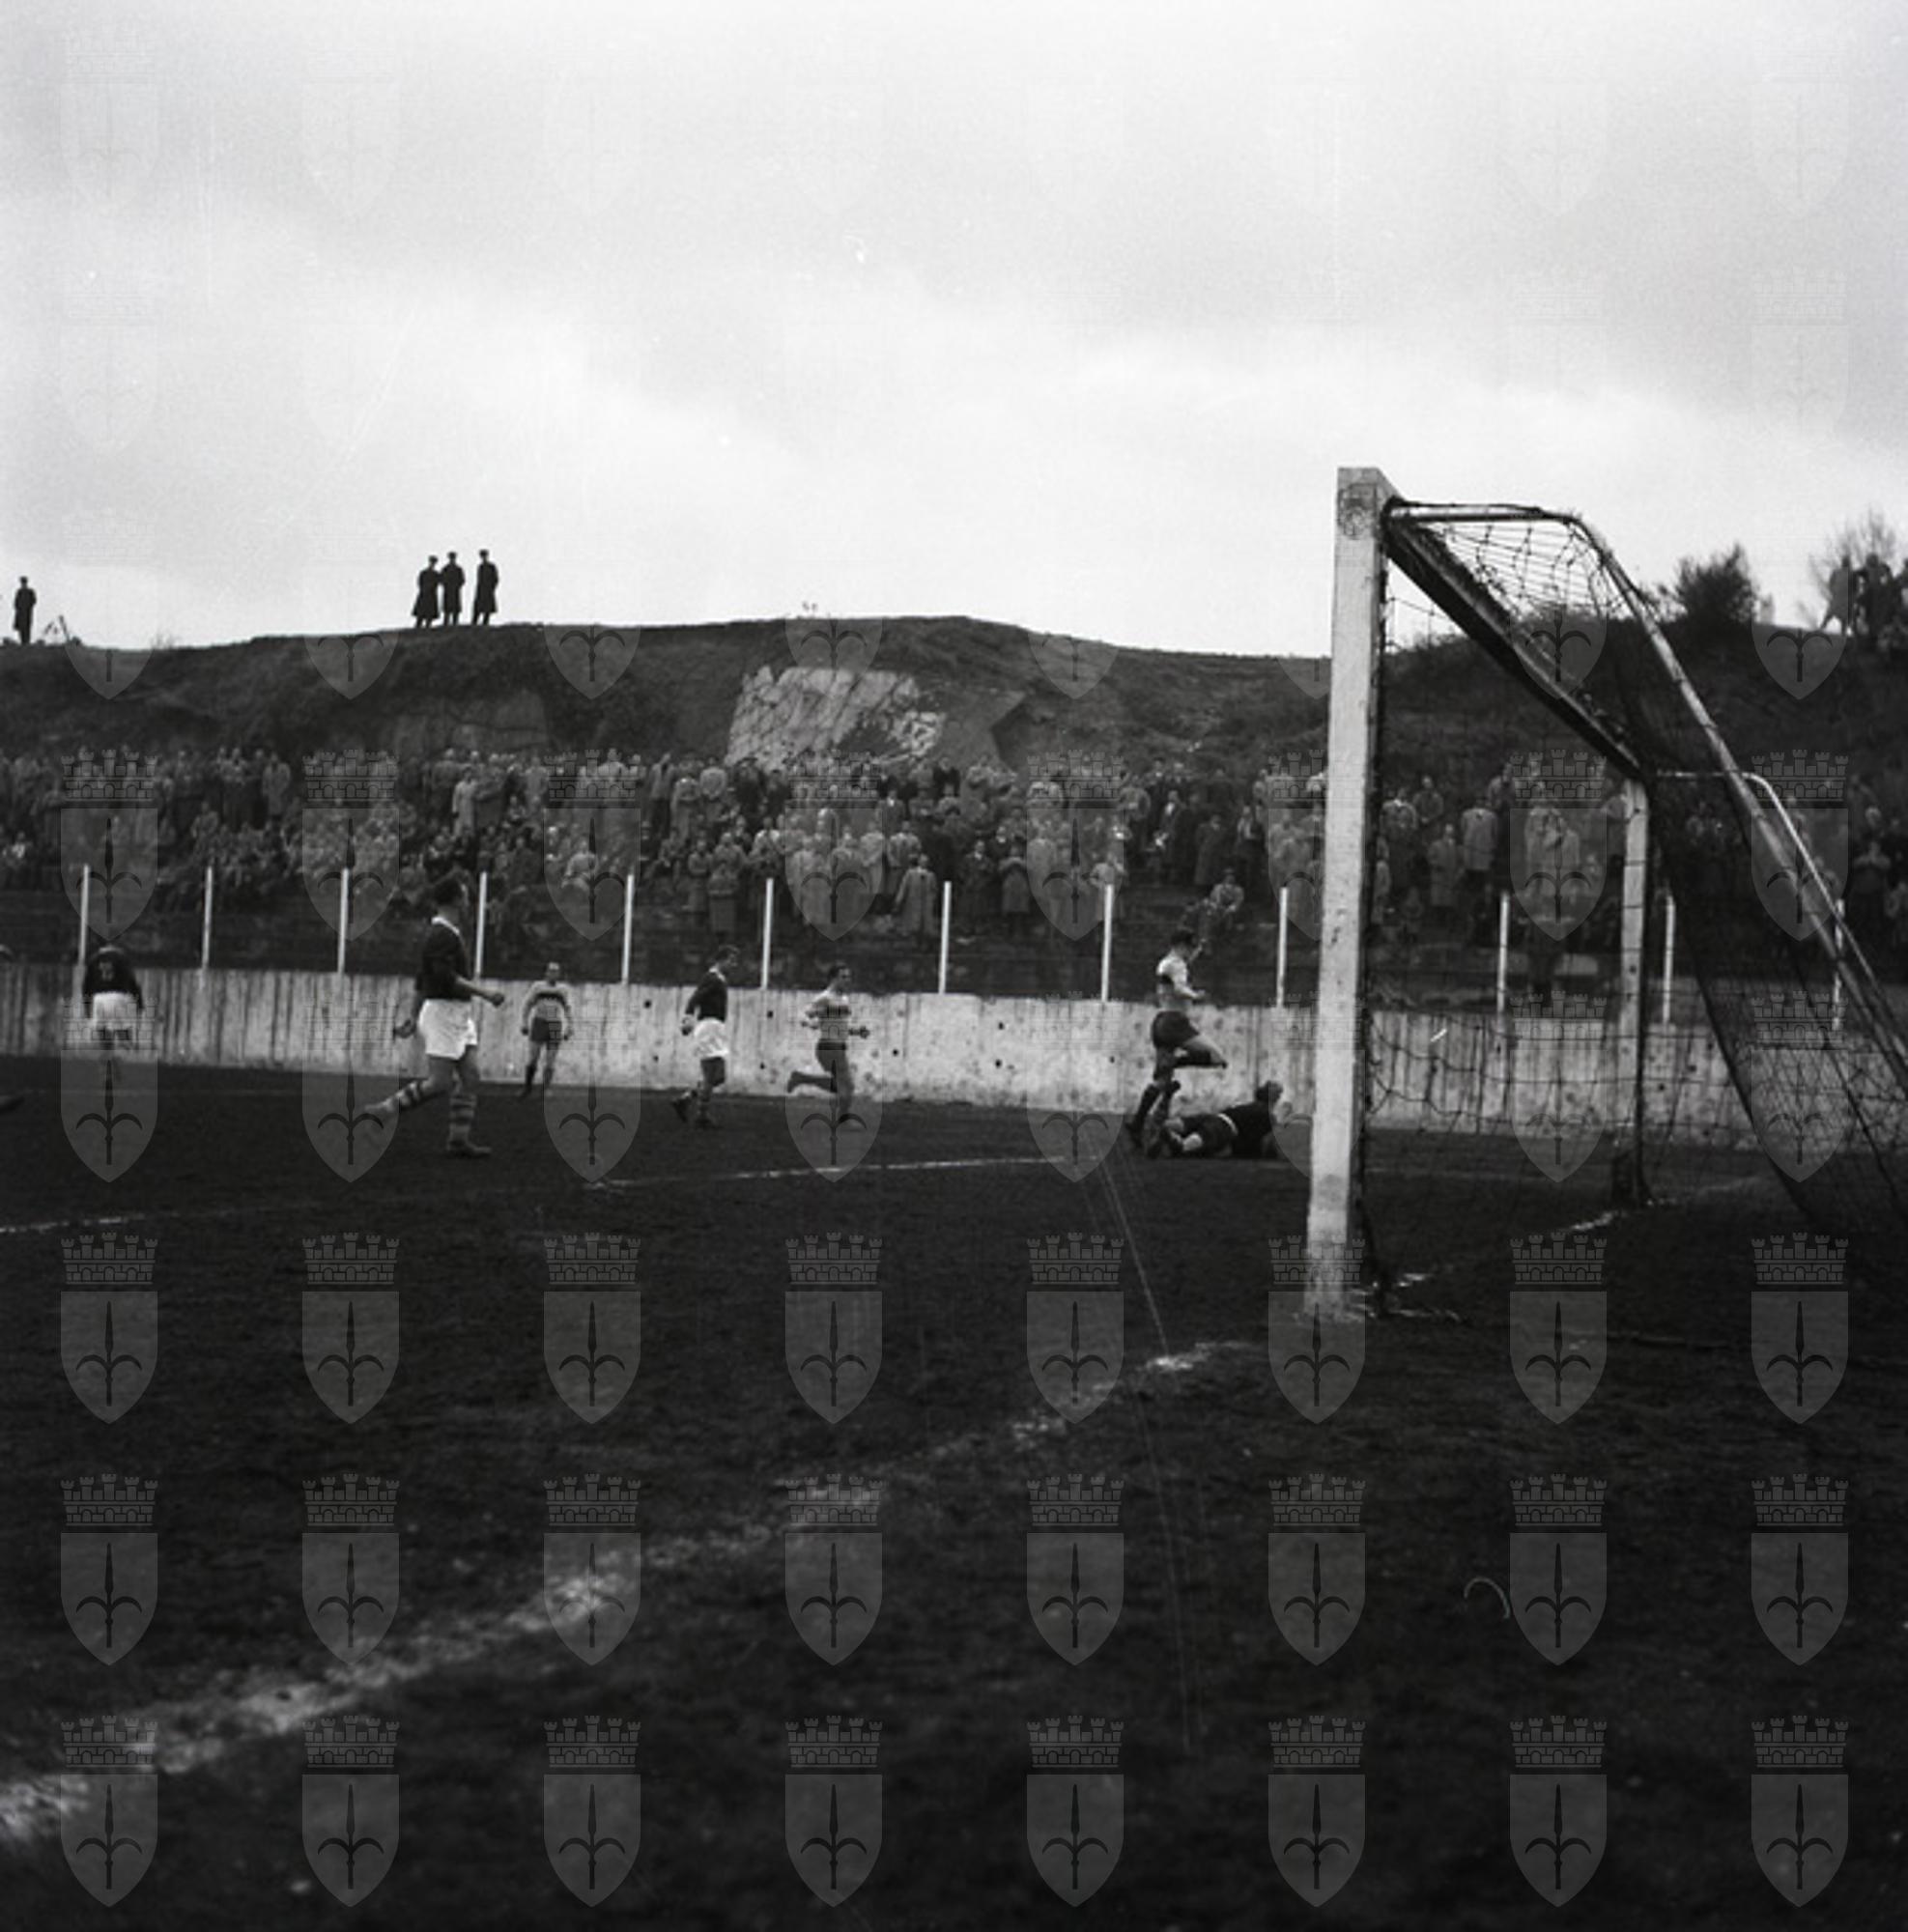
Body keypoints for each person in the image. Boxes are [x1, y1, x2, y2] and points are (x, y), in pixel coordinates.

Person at [363, 873, 506, 1156]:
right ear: (455, 900)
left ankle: (458, 1141)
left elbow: (422, 978)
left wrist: (413, 1016)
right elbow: (444, 977)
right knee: (440, 1082)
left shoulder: (446, 932)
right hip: (443, 1013)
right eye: (464, 894)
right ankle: (385, 1110)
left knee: (471, 1076)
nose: (468, 899)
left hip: (456, 1013)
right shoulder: (441, 935)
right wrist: (485, 993)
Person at [1125, 927, 1226, 1145]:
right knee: (1217, 1057)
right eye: (1190, 947)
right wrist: (1196, 995)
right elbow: (1180, 988)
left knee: (1161, 1082)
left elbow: (1175, 983)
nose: (1192, 952)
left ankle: (1137, 1123)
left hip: (1160, 1023)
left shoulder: (1166, 963)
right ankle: (1175, 1062)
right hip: (1174, 1023)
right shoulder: (1177, 964)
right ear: (1181, 946)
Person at [786, 960, 869, 1113]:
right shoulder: (825, 998)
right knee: (847, 1087)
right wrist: (810, 1023)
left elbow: (840, 1026)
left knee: (845, 1087)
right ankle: (843, 1118)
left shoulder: (843, 999)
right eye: (843, 977)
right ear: (833, 978)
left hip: (837, 1046)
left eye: (848, 977)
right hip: (829, 1047)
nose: (847, 980)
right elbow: (803, 1015)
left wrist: (858, 1031)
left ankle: (802, 1078)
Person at [673, 944, 740, 1128]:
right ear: (721, 960)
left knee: (718, 1077)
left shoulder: (718, 979)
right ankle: (702, 1115)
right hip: (709, 1029)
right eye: (731, 960)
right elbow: (695, 998)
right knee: (711, 1074)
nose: (734, 965)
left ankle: (685, 1100)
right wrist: (687, 1018)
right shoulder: (712, 978)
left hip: (715, 1029)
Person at [1162, 1079, 1284, 1158]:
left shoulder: (1248, 1105)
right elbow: (1268, 1144)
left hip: (1215, 1116)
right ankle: (1181, 1145)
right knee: (1200, 1138)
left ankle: (1165, 1127)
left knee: (1188, 1125)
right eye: (1278, 1094)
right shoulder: (1268, 1115)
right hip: (1225, 1126)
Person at [519, 959, 572, 1098]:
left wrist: (570, 1027)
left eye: (556, 972)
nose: (554, 974)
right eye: (551, 971)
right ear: (546, 973)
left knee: (550, 1060)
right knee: (533, 1057)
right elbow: (527, 1005)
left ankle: (546, 1088)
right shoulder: (538, 987)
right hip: (539, 1023)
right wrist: (524, 1022)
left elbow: (567, 1009)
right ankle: (527, 1087)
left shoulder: (562, 989)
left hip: (554, 1024)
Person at [82, 941, 143, 1045]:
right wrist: (139, 1003)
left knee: (104, 1036)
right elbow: (132, 982)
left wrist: (87, 1007)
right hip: (118, 996)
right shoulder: (122, 958)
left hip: (99, 998)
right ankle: (126, 1051)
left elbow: (86, 986)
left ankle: (106, 1053)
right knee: (123, 1035)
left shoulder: (93, 959)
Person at [413, 556, 441, 629]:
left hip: (431, 594)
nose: (432, 564)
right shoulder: (424, 573)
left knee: (429, 613)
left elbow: (437, 583)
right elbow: (420, 582)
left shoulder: (435, 574)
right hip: (425, 593)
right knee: (421, 612)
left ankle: (427, 625)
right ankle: (418, 626)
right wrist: (425, 588)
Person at [472, 549, 498, 625]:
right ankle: (475, 623)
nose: (483, 558)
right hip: (481, 589)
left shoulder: (491, 567)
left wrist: (492, 587)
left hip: (488, 589)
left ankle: (485, 623)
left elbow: (495, 578)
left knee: (487, 609)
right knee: (478, 608)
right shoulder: (480, 567)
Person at [440, 551, 466, 626]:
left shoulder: (458, 569)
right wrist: (446, 585)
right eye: (451, 558)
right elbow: (441, 579)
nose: (452, 559)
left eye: (453, 558)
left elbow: (462, 580)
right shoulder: (445, 569)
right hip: (448, 590)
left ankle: (455, 623)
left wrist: (457, 586)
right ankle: (446, 623)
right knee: (447, 609)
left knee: (455, 608)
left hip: (455, 590)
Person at [13, 576, 35, 647]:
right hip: (21, 613)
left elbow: (33, 601)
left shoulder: (30, 592)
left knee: (27, 627)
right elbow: (16, 603)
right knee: (21, 628)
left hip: (27, 612)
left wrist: (27, 606)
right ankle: (23, 642)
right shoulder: (19, 592)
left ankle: (26, 642)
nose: (23, 584)